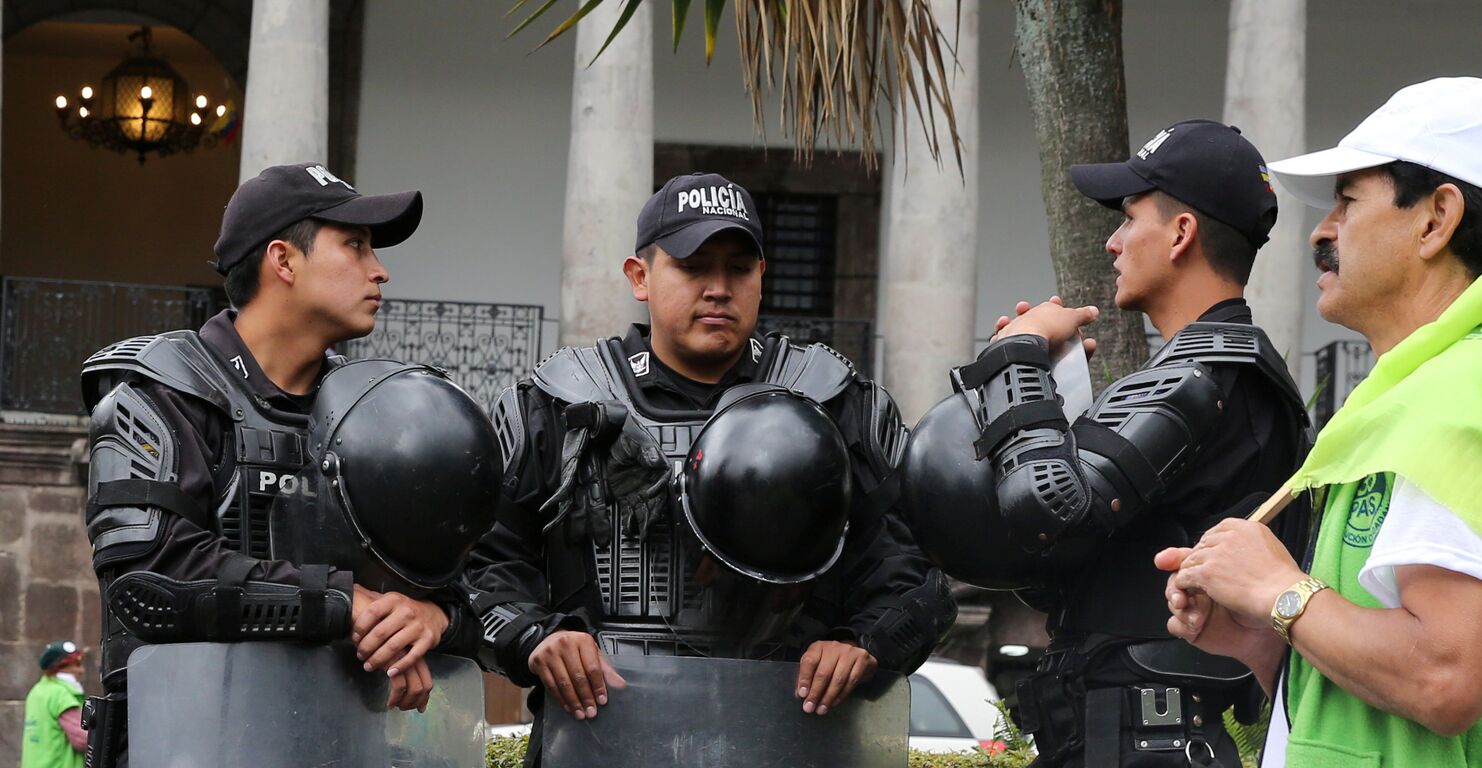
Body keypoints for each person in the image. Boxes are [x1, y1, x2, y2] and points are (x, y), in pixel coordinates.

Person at [1158, 77, 1482, 766]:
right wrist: (1267, 636)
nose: (1321, 232)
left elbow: (1446, 678)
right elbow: (1403, 695)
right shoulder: (1436, 395)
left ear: (1435, 219)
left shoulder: (1461, 402)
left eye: (1348, 201)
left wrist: (1281, 590)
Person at [463, 172, 955, 766]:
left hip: (792, 738)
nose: (718, 288)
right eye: (694, 268)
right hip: (599, 740)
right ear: (640, 277)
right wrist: (534, 635)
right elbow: (482, 559)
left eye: (739, 269)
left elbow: (911, 565)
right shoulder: (558, 405)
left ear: (762, 277)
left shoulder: (835, 403)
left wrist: (865, 644)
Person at [903, 119, 1311, 767]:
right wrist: (1037, 391)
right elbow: (1070, 566)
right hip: (1120, 734)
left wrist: (1017, 360)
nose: (1114, 243)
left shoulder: (1205, 372)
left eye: (1128, 218)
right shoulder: (1214, 372)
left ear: (1181, 235)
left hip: (1142, 741)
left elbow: (1049, 507)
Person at [78, 164, 475, 768]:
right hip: (182, 745)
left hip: (345, 745)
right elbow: (149, 582)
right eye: (355, 245)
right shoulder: (162, 394)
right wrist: (344, 603)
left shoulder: (379, 417)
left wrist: (432, 616)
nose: (381, 270)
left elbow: (478, 584)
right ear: (283, 261)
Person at [22, 642, 87, 768]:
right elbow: (83, 739)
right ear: (60, 667)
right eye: (77, 665)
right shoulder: (61, 695)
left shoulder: (36, 691)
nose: (81, 671)